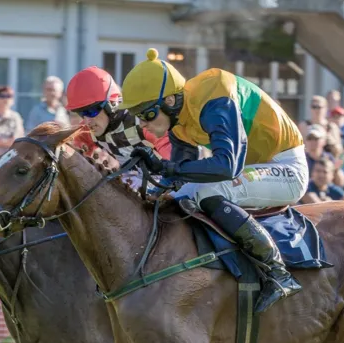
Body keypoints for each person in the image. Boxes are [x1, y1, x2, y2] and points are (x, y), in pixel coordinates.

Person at [120, 48, 307, 313]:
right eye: (137, 115)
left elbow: (227, 166)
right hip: (253, 168)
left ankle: (278, 272)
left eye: (147, 113)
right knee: (179, 197)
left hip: (285, 167)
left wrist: (164, 166)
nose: (142, 124)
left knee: (209, 192)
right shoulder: (178, 122)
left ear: (171, 100)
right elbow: (179, 177)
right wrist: (153, 176)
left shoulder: (214, 94)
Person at [65, 66, 170, 168]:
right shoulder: (87, 130)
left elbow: (174, 158)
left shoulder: (142, 121)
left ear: (111, 104)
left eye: (91, 111)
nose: (87, 120)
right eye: (81, 113)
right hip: (131, 183)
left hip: (167, 182)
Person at [298, 95, 343, 159]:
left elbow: (339, 150)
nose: (316, 110)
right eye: (314, 107)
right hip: (308, 162)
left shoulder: (331, 127)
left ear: (326, 108)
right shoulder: (303, 125)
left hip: (327, 163)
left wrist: (329, 140)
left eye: (319, 107)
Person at [0, 86, 25, 160]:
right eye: (2, 96)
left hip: (11, 159)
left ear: (13, 100)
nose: (5, 99)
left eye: (9, 96)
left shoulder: (16, 117)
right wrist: (6, 142)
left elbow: (16, 141)